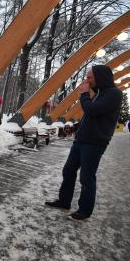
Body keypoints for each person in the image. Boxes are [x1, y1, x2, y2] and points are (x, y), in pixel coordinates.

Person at [45, 65, 123, 221]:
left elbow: (91, 110)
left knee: (87, 177)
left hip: (94, 143)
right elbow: (90, 116)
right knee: (68, 171)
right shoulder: (99, 94)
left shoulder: (114, 94)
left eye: (89, 77)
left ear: (100, 77)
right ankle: (64, 201)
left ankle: (84, 210)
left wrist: (84, 94)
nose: (87, 80)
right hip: (81, 140)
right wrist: (76, 127)